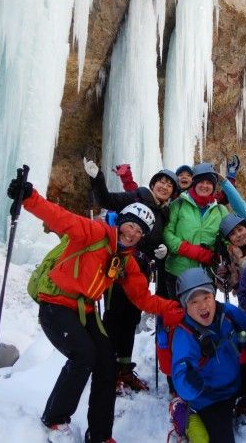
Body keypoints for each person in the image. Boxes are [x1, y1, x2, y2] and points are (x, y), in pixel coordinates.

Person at [7, 179, 184, 443]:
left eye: (140, 231)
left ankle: (100, 436)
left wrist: (180, 309)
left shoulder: (126, 261)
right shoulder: (94, 232)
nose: (133, 233)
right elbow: (60, 218)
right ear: (121, 222)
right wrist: (29, 197)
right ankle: (55, 419)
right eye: (131, 225)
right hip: (56, 304)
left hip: (85, 311)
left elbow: (143, 299)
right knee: (84, 355)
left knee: (107, 364)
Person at [83, 158, 179, 391]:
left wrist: (161, 254)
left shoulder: (165, 215)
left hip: (142, 273)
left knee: (130, 320)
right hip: (119, 267)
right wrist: (97, 178)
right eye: (161, 182)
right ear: (153, 184)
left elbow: (155, 244)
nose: (164, 186)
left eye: (169, 185)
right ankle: (107, 370)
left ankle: (123, 369)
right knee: (114, 317)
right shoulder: (136, 197)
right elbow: (106, 200)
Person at [170, 268, 246, 443]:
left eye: (206, 297)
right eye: (194, 301)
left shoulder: (228, 313)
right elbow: (181, 371)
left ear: (213, 295)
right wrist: (191, 384)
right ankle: (183, 414)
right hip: (210, 397)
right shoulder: (185, 334)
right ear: (185, 305)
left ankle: (243, 409)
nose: (203, 306)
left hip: (235, 382)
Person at [163, 163, 229, 299]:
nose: (205, 186)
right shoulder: (178, 204)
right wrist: (191, 251)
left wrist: (223, 257)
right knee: (177, 314)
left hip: (207, 273)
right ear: (195, 183)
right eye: (201, 182)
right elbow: (167, 233)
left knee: (203, 315)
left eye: (209, 182)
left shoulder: (221, 210)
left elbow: (228, 238)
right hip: (177, 271)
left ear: (214, 186)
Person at [216, 213, 246, 294]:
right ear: (229, 239)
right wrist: (222, 278)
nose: (238, 235)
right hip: (245, 301)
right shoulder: (231, 254)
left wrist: (241, 259)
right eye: (232, 234)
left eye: (240, 229)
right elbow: (227, 289)